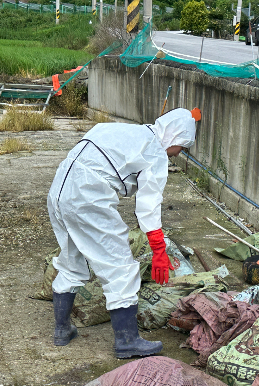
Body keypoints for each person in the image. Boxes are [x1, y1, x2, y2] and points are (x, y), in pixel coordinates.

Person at [47, 107, 200, 357]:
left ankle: (62, 330)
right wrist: (159, 251)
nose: (177, 154)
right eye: (181, 148)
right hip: (89, 197)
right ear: (173, 137)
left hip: (59, 191)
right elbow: (148, 208)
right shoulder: (155, 153)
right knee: (120, 267)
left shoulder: (119, 129)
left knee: (71, 261)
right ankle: (127, 341)